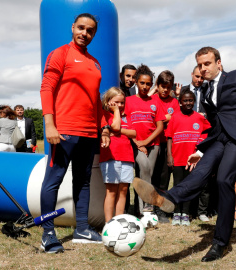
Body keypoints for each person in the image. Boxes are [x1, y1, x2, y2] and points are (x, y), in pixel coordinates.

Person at [133, 46, 236, 262]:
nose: (203, 68)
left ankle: (220, 242)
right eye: (199, 65)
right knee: (200, 172)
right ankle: (166, 197)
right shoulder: (208, 92)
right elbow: (215, 125)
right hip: (220, 139)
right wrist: (200, 150)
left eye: (207, 63)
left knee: (223, 179)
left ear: (219, 63)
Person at [39, 13, 110, 253]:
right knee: (53, 182)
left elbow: (97, 102)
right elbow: (47, 88)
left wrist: (104, 127)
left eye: (90, 30)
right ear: (72, 27)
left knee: (83, 182)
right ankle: (48, 233)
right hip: (64, 131)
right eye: (81, 28)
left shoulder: (95, 62)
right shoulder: (60, 54)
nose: (85, 33)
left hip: (89, 133)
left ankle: (82, 229)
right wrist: (49, 124)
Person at [125, 64, 165, 217]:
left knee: (146, 175)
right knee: (144, 167)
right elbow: (125, 124)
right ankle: (147, 207)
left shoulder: (155, 102)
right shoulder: (128, 101)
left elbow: (160, 127)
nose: (145, 86)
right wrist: (137, 142)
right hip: (135, 144)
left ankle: (139, 210)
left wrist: (146, 142)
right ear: (136, 82)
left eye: (148, 84)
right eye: (142, 83)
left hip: (152, 145)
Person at [166, 90, 211, 226]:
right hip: (177, 157)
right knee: (178, 185)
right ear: (180, 102)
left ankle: (185, 213)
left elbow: (208, 132)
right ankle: (176, 213)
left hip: (191, 159)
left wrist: (200, 147)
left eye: (191, 100)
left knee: (189, 187)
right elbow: (169, 137)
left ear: (194, 101)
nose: (188, 103)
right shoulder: (175, 117)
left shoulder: (199, 117)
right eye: (185, 100)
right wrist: (169, 155)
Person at [100, 87, 136, 222]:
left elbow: (134, 133)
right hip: (111, 157)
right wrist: (115, 112)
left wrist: (119, 132)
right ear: (108, 101)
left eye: (122, 103)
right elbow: (114, 127)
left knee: (123, 191)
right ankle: (108, 224)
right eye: (116, 102)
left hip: (127, 156)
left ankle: (119, 221)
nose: (120, 106)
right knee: (111, 191)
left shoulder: (128, 116)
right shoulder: (104, 115)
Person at [151, 70, 181, 223]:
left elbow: (174, 120)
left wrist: (164, 119)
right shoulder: (152, 99)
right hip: (152, 143)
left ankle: (161, 210)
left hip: (168, 144)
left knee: (164, 178)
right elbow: (150, 120)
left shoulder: (174, 102)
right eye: (162, 86)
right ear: (157, 86)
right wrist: (165, 119)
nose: (165, 90)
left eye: (168, 87)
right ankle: (150, 209)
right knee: (152, 178)